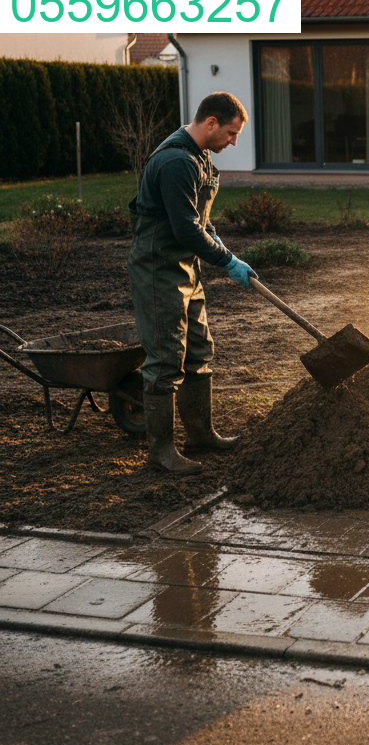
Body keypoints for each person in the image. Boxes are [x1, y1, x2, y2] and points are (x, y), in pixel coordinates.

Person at [128, 91, 257, 474]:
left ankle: (200, 435)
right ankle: (161, 453)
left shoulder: (200, 157)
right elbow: (185, 228)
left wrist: (224, 250)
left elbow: (200, 221)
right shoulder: (175, 161)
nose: (233, 142)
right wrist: (226, 261)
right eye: (231, 133)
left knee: (199, 351)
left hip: (186, 268)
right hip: (158, 268)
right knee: (166, 358)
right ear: (211, 122)